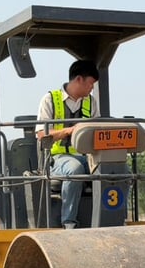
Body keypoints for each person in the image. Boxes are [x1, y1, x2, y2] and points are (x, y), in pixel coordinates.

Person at [36, 59, 100, 228]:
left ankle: (113, 217)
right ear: (79, 79)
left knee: (115, 170)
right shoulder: (50, 99)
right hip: (57, 159)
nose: (92, 88)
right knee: (74, 169)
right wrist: (69, 131)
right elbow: (42, 135)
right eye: (91, 83)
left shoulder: (90, 102)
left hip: (85, 157)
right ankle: (69, 223)